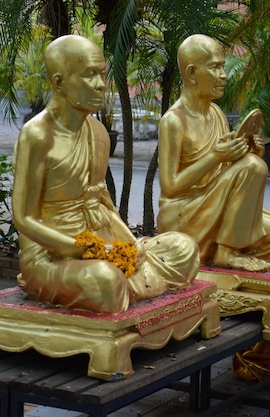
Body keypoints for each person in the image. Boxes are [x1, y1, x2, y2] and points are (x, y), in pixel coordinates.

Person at [12, 35, 199, 314]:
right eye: (90, 75)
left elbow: (102, 204)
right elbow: (24, 218)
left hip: (101, 242)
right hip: (52, 254)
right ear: (59, 82)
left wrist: (133, 248)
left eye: (102, 74)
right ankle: (128, 286)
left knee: (184, 248)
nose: (101, 85)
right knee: (106, 283)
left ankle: (130, 285)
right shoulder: (38, 135)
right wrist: (77, 249)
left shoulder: (97, 133)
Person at [157, 34, 270, 272]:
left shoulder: (215, 113)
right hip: (185, 213)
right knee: (253, 167)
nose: (224, 75)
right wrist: (216, 156)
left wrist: (245, 150)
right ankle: (226, 252)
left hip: (220, 207)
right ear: (192, 73)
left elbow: (228, 175)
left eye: (223, 67)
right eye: (214, 68)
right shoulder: (174, 121)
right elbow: (170, 187)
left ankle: (232, 245)